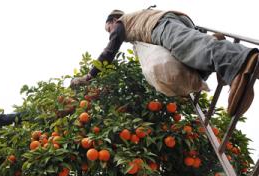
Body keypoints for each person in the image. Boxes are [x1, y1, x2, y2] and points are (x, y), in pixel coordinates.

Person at [70, 8, 259, 116]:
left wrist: (90, 75)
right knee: (190, 58)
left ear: (113, 20)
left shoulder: (121, 22)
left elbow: (110, 49)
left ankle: (240, 64)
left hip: (160, 25)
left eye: (108, 28)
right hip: (177, 22)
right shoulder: (136, 21)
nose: (110, 32)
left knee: (189, 47)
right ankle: (217, 47)